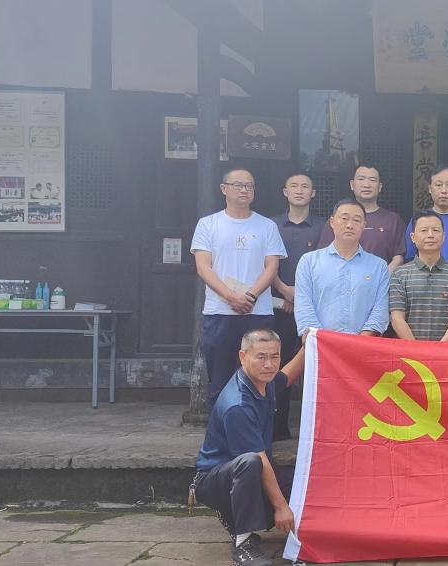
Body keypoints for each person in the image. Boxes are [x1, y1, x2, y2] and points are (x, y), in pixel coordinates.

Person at [191, 329, 294, 566]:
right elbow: (258, 459)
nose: (269, 364)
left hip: (249, 472)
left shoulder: (265, 381)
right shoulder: (237, 404)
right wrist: (281, 507)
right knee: (250, 462)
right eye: (261, 356)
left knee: (301, 481)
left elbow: (287, 376)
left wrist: (311, 345)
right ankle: (243, 543)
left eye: (275, 356)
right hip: (217, 480)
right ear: (243, 356)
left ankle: (239, 519)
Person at [190, 168, 287, 407]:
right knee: (220, 379)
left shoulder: (267, 226)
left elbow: (272, 266)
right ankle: (221, 429)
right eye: (238, 185)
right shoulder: (208, 224)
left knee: (259, 377)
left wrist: (251, 296)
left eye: (249, 186)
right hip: (220, 312)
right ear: (224, 189)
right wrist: (231, 296)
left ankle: (257, 428)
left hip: (257, 311)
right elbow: (203, 267)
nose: (244, 190)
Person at [279, 199, 391, 382]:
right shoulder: (309, 262)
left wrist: (358, 344)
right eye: (344, 218)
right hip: (320, 351)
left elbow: (380, 312)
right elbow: (304, 307)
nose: (350, 225)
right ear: (332, 222)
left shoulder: (378, 266)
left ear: (364, 225)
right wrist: (323, 343)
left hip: (363, 353)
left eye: (357, 220)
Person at [269, 173, 323, 439]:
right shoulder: (271, 225)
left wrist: (301, 297)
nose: (299, 191)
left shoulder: (323, 226)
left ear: (313, 193)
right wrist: (283, 290)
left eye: (305, 187)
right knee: (278, 362)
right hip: (279, 306)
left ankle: (314, 427)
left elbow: (324, 265)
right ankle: (278, 427)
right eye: (294, 186)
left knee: (314, 364)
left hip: (313, 308)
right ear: (285, 191)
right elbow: (265, 261)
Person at [390, 210, 448, 341]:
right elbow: (396, 318)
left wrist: (438, 349)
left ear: (443, 236)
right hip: (409, 351)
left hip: (445, 350)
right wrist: (416, 349)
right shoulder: (399, 274)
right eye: (424, 230)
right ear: (412, 237)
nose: (430, 235)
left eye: (435, 230)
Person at [319, 164, 405, 271]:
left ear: (380, 187)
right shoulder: (338, 219)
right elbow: (324, 255)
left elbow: (398, 257)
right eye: (361, 179)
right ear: (352, 184)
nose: (366, 185)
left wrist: (380, 276)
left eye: (372, 180)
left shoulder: (393, 220)